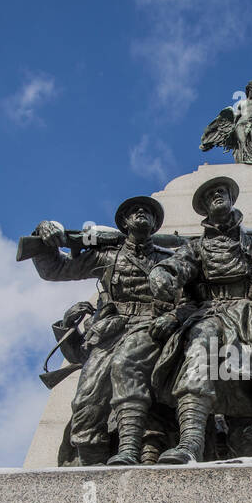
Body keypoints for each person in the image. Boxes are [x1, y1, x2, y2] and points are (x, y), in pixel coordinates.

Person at [148, 176, 252, 463]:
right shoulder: (195, 247)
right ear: (203, 208)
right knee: (200, 351)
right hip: (211, 313)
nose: (217, 195)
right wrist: (164, 273)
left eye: (222, 191)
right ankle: (190, 444)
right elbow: (178, 266)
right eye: (210, 194)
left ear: (232, 198)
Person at [32, 196, 188, 465]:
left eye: (148, 212)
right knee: (85, 404)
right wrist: (44, 235)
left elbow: (193, 297)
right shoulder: (106, 255)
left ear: (155, 224)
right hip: (111, 332)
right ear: (124, 223)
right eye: (134, 211)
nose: (141, 214)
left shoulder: (170, 259)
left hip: (153, 329)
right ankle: (93, 471)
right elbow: (56, 269)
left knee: (129, 373)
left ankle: (136, 449)